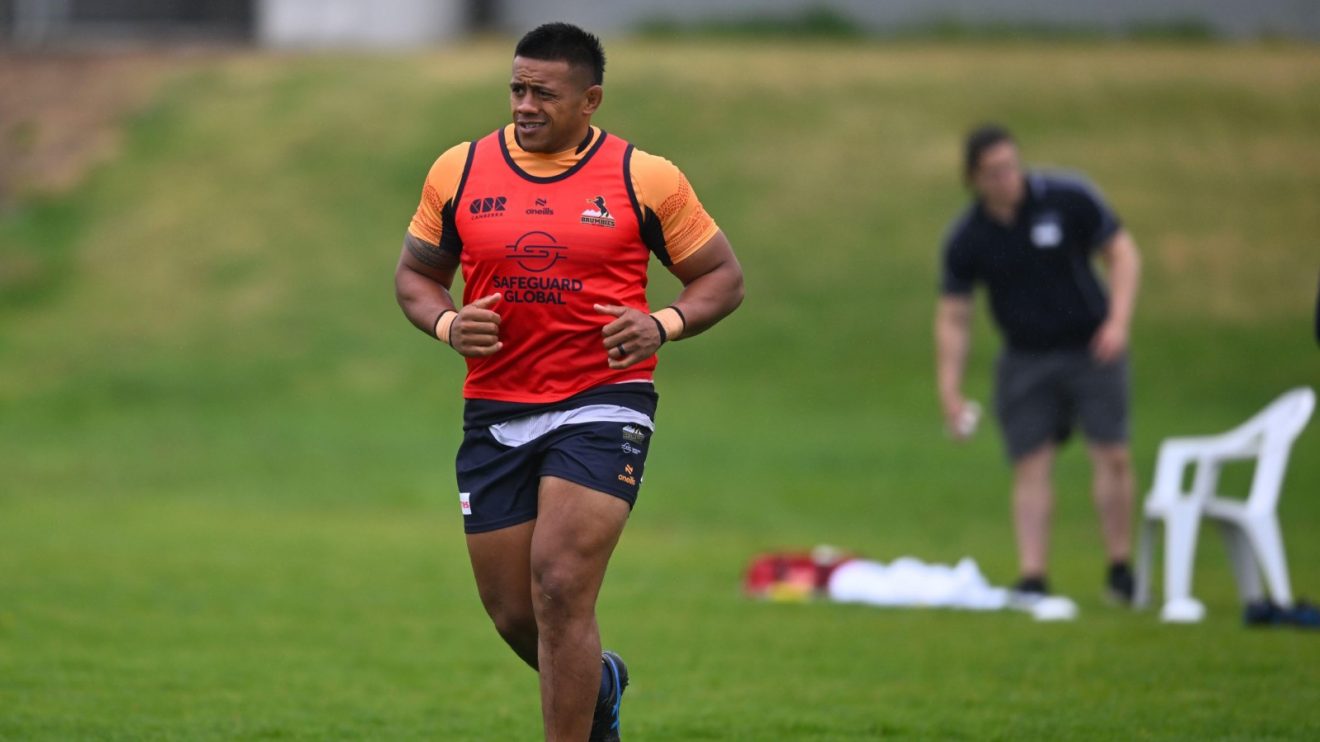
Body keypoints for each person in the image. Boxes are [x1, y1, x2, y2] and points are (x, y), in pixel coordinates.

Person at [394, 23, 743, 742]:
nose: (524, 105)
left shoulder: (646, 178)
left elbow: (722, 278)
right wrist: (449, 325)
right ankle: (603, 686)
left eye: (542, 93)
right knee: (514, 611)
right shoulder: (457, 170)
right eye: (516, 89)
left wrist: (664, 322)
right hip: (495, 407)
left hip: (602, 402)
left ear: (590, 100)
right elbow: (415, 278)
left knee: (558, 584)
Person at [934, 124, 1141, 605]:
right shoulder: (969, 238)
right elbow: (954, 317)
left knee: (1112, 454)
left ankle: (1119, 567)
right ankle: (1033, 575)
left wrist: (1119, 320)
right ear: (973, 178)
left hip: (1092, 348)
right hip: (1024, 357)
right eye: (995, 172)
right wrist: (950, 389)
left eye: (1011, 165)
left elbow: (1123, 252)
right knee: (1031, 463)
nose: (1008, 178)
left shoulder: (1068, 200)